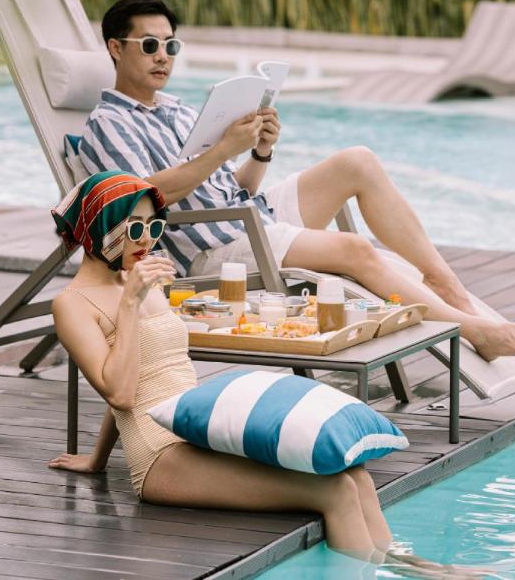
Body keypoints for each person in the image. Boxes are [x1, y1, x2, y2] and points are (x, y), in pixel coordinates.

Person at [47, 170, 488, 578]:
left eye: (154, 226)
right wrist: (130, 304)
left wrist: (97, 460)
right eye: (135, 229)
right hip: (161, 460)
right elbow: (122, 394)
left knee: (356, 478)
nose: (147, 239)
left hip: (190, 430)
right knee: (333, 492)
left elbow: (145, 374)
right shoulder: (74, 305)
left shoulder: (138, 282)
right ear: (100, 228)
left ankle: (416, 569)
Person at [68, 0, 515, 361]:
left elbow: (237, 190)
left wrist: (260, 150)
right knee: (355, 251)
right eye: (149, 45)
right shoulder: (109, 124)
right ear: (116, 48)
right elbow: (145, 201)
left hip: (246, 217)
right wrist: (223, 150)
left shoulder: (177, 109)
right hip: (211, 246)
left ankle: (445, 282)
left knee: (357, 161)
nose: (162, 56)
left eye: (170, 45)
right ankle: (473, 331)